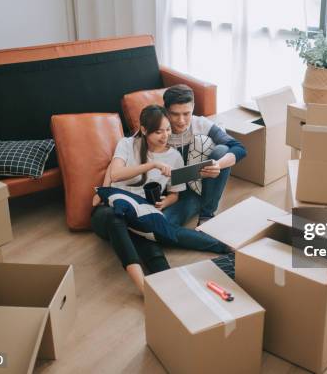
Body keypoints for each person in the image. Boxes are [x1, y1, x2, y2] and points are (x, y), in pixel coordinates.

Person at [91, 105, 229, 294]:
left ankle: (219, 251)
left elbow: (175, 194)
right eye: (158, 131)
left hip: (143, 213)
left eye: (167, 130)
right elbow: (115, 174)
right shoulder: (127, 144)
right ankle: (143, 289)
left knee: (159, 234)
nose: (165, 136)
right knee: (116, 220)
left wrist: (166, 203)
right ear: (144, 130)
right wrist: (151, 165)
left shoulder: (174, 157)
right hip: (111, 210)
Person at [162, 84, 247, 226]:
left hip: (196, 189)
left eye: (186, 113)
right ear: (166, 110)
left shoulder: (201, 124)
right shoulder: (158, 127)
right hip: (170, 191)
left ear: (193, 107)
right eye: (175, 114)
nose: (181, 121)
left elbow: (239, 148)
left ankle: (206, 215)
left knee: (222, 150)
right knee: (162, 226)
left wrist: (217, 165)